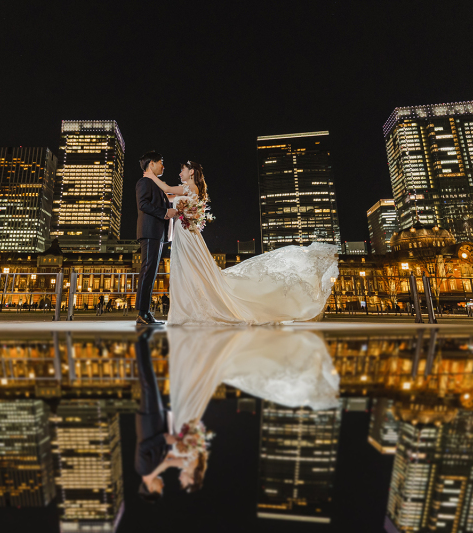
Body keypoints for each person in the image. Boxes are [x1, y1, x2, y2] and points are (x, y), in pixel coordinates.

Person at [145, 160, 338, 325]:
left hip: (186, 234)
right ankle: (189, 308)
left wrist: (150, 175)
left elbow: (168, 189)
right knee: (189, 269)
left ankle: (192, 309)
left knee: (189, 268)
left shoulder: (189, 187)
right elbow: (168, 196)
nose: (180, 173)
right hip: (184, 232)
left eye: (183, 170)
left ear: (192, 172)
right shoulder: (189, 190)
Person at [134, 328, 180, 501]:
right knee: (150, 379)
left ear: (150, 488)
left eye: (160, 489)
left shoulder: (143, 469)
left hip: (149, 419)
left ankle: (141, 338)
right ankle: (144, 339)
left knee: (147, 380)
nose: (163, 486)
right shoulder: (154, 468)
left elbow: (143, 448)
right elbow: (164, 449)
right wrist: (174, 443)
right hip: (157, 418)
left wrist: (164, 440)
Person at [135, 151, 176, 326]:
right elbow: (143, 204)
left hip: (157, 233)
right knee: (147, 270)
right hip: (150, 232)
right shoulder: (144, 182)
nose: (163, 166)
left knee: (151, 272)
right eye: (161, 162)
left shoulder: (156, 184)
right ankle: (142, 313)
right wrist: (166, 212)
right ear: (151, 164)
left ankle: (145, 313)